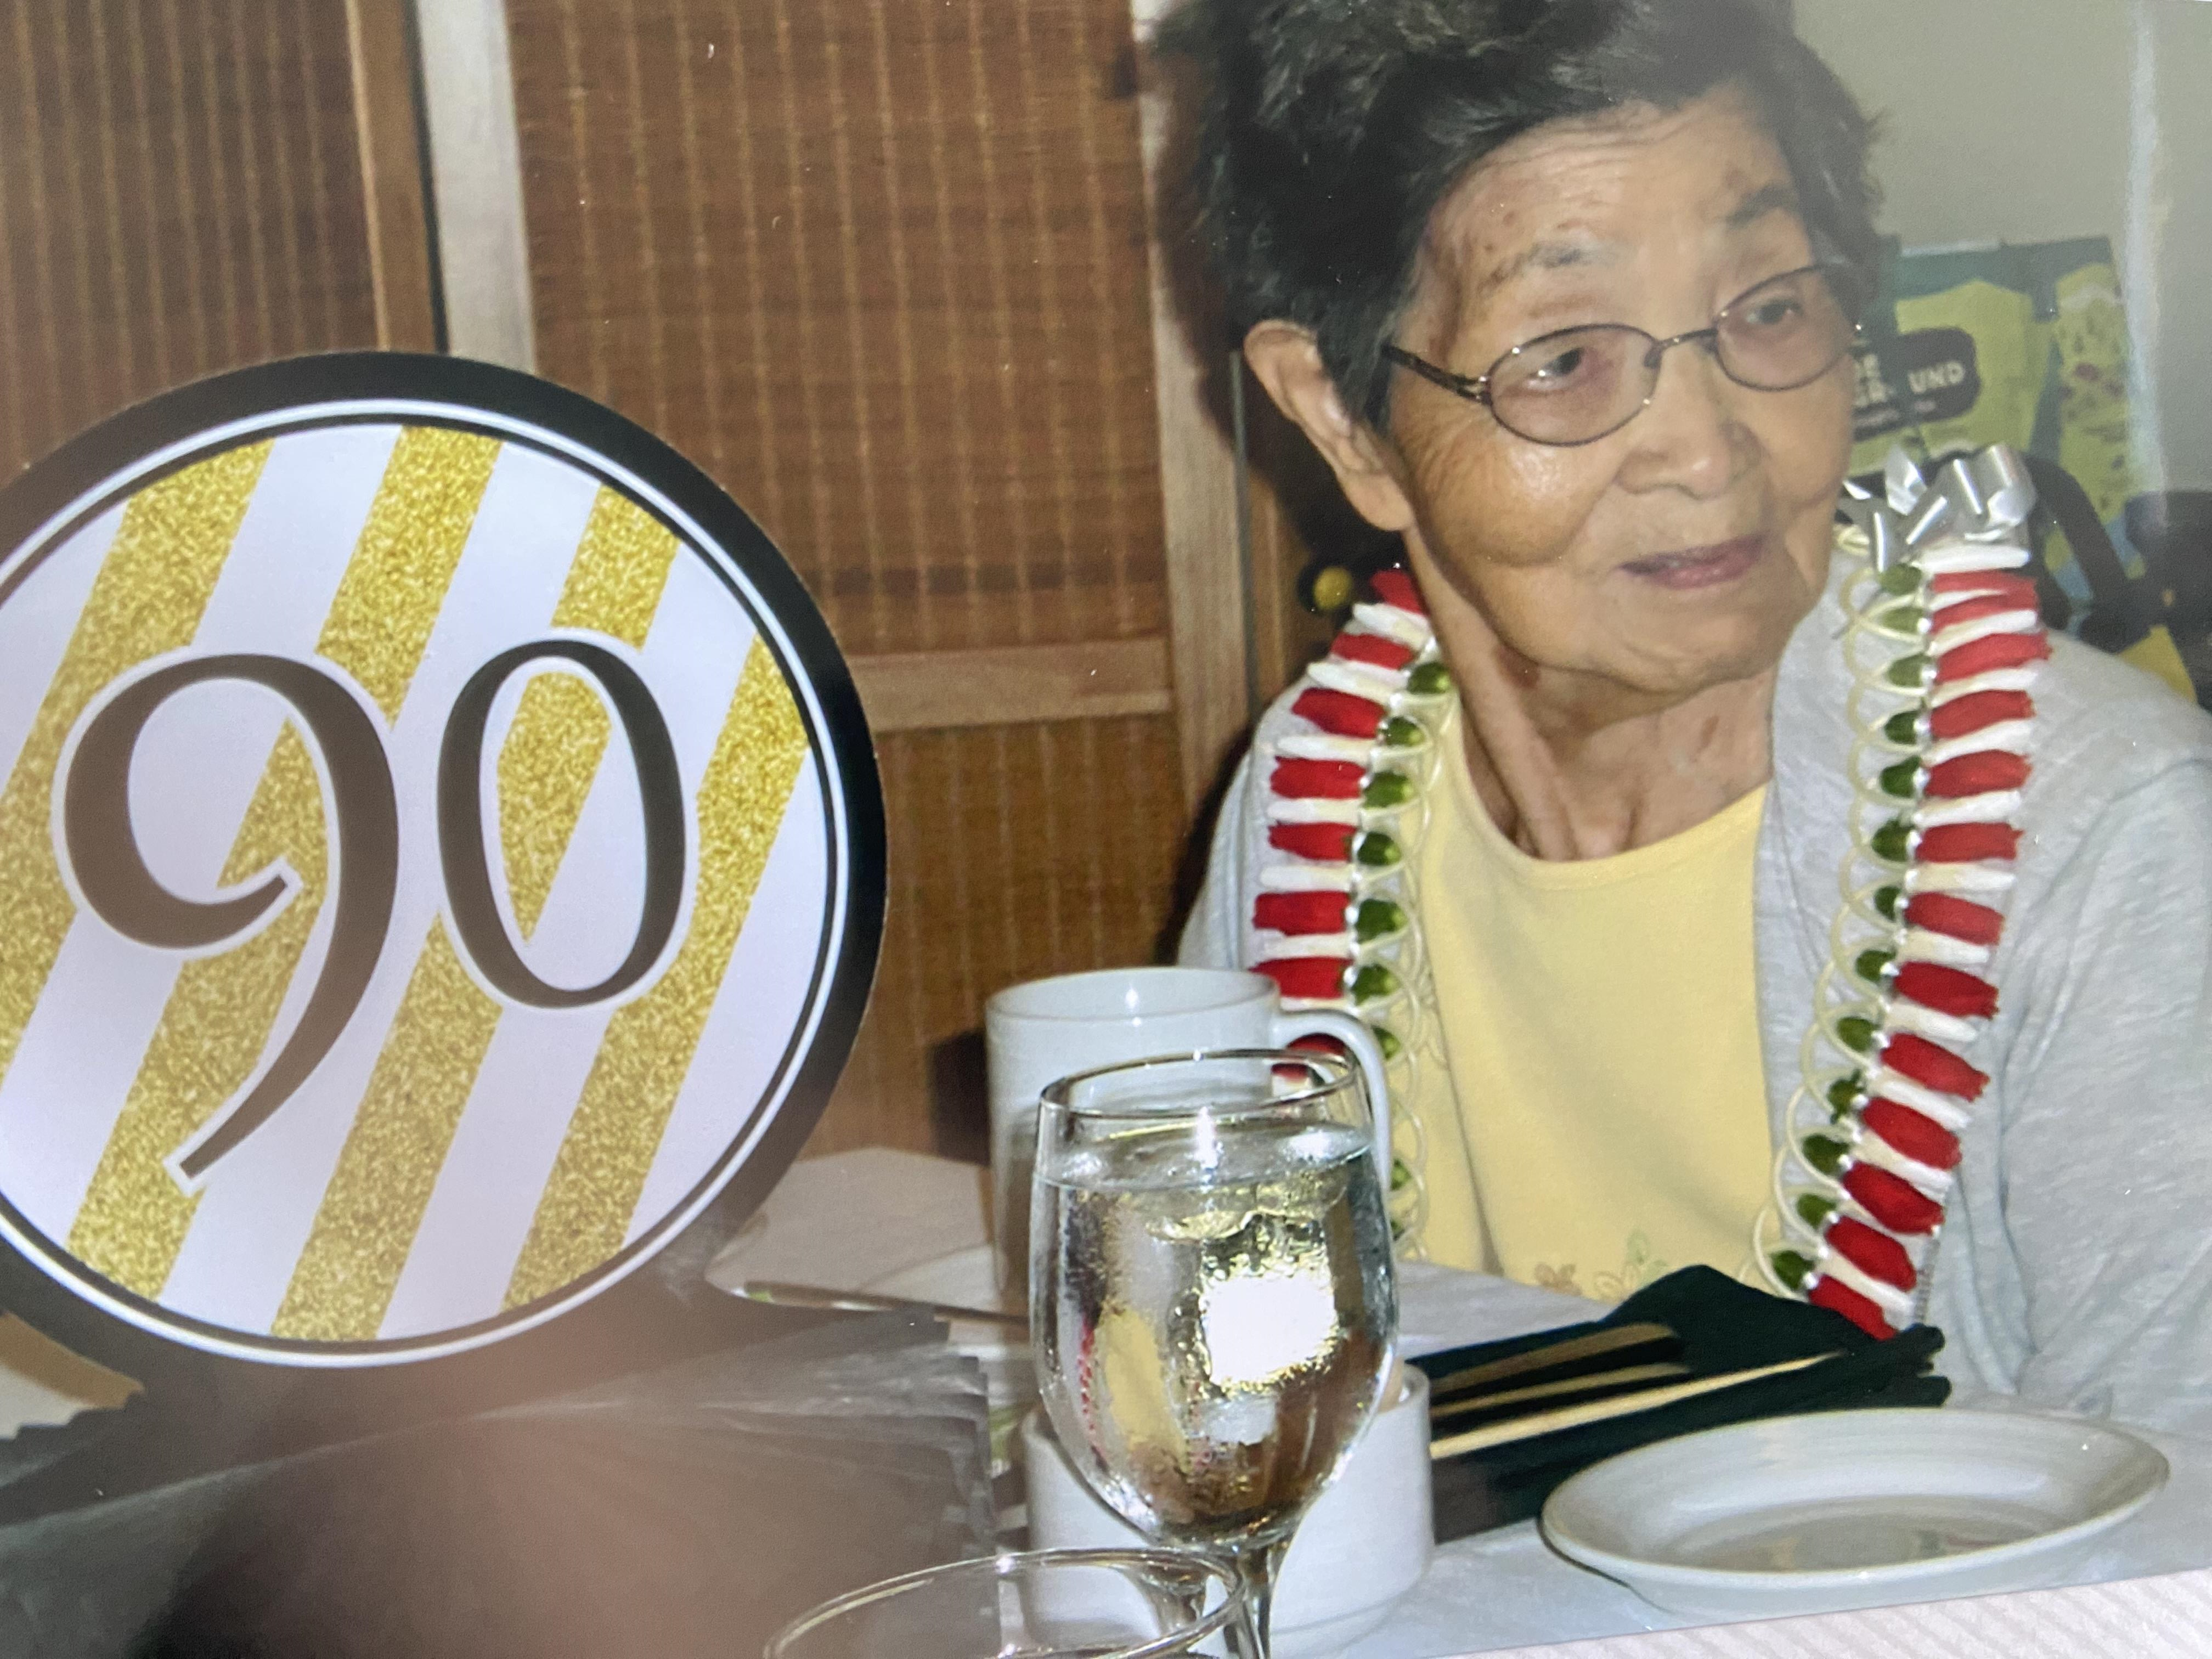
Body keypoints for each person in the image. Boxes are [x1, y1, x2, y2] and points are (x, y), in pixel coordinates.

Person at [1166, 0, 2212, 1433]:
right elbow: (1230, 1378)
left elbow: (2180, 1532)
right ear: (1345, 423)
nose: (1708, 445)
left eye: (1769, 309)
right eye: (1563, 357)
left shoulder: (2098, 838)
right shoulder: (1312, 800)